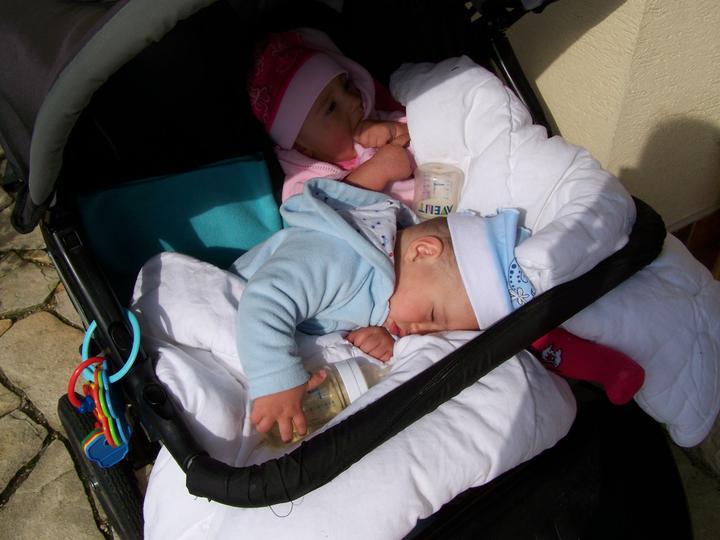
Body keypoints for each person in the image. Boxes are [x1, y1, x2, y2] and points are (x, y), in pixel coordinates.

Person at [232, 178, 643, 443]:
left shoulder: (394, 288)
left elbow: (345, 311)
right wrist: (275, 378)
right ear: (423, 251)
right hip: (233, 301)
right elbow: (267, 299)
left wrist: (380, 333)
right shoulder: (341, 254)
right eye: (431, 315)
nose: (419, 329)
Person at [247, 28, 416, 205]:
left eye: (347, 86)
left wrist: (396, 130)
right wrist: (377, 171)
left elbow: (427, 132)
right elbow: (318, 213)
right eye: (331, 107)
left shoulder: (381, 121)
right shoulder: (302, 185)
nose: (352, 101)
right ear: (302, 147)